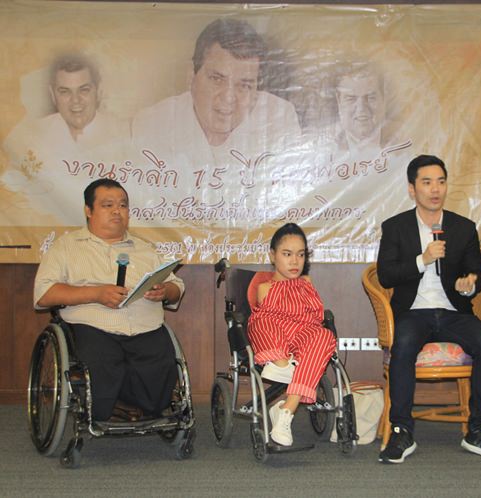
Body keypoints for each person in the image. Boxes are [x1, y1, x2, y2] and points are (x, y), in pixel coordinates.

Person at [376, 154, 481, 463]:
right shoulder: (396, 227)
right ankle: (401, 431)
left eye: (441, 182)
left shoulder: (463, 227)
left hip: (454, 312)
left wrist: (470, 283)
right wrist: (422, 260)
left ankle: (479, 429)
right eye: (427, 183)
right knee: (403, 346)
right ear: (412, 189)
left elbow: (477, 273)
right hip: (413, 312)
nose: (435, 189)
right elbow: (386, 275)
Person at [33, 178, 185, 421]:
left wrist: (165, 291)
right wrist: (95, 293)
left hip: (145, 326)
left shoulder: (145, 249)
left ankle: (137, 407)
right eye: (108, 205)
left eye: (123, 205)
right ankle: (107, 408)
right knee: (102, 361)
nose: (117, 211)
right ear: (88, 210)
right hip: (92, 326)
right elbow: (44, 294)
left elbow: (177, 286)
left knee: (160, 362)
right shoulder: (65, 247)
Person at [131, 18, 301, 190]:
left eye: (244, 85)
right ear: (191, 76)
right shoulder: (152, 124)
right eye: (217, 79)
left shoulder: (280, 118)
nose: (228, 97)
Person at [2, 54, 130, 224]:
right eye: (64, 92)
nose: (75, 101)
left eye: (84, 90)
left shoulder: (125, 134)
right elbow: (10, 192)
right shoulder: (32, 136)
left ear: (98, 91)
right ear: (52, 94)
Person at [246, 223, 336, 446]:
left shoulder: (307, 283)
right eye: (287, 254)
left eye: (300, 254)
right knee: (263, 321)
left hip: (303, 334)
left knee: (325, 336)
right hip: (275, 333)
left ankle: (286, 410)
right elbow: (268, 317)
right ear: (273, 255)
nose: (295, 261)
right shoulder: (264, 287)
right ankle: (281, 364)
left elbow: (314, 317)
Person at [334, 62, 387, 156]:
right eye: (351, 98)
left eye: (370, 97)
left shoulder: (406, 137)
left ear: (383, 99)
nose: (361, 108)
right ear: (339, 102)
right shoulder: (326, 148)